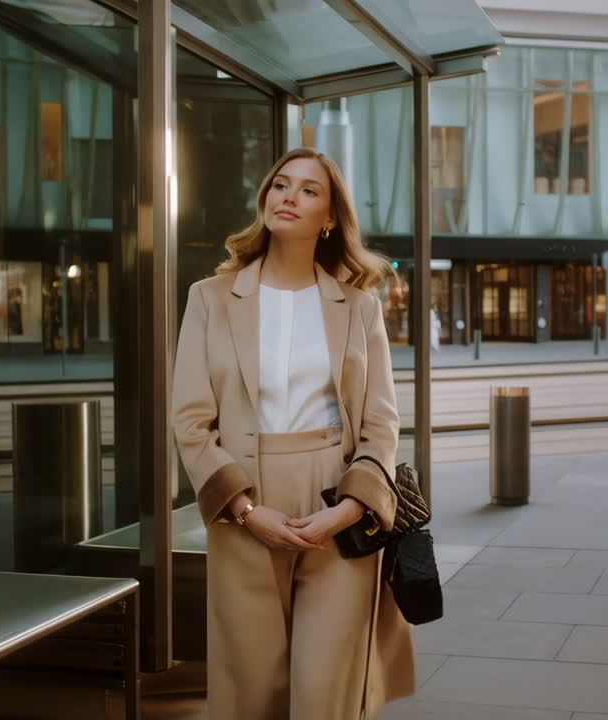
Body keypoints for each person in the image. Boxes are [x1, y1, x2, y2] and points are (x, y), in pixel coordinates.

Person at [172, 147, 414, 719]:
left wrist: (351, 509)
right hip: (244, 501)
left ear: (329, 217)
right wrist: (245, 510)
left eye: (309, 190)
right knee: (250, 690)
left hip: (336, 499)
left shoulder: (358, 307)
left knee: (324, 691)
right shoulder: (209, 298)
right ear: (266, 198)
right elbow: (190, 420)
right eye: (282, 184)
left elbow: (381, 424)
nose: (290, 196)